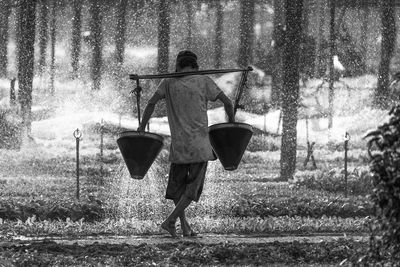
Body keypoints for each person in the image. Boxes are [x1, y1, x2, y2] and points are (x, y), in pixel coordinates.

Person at [137, 50, 235, 237]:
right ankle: (171, 220)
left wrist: (142, 126)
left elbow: (150, 103)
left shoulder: (168, 82)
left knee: (178, 188)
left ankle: (185, 226)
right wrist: (231, 123)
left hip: (179, 145)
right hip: (200, 145)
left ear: (178, 65)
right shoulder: (203, 80)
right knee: (192, 189)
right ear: (195, 65)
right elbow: (228, 103)